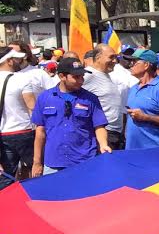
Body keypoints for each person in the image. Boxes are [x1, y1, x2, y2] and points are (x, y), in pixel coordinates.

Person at [28, 56, 110, 177]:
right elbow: (40, 132)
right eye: (76, 77)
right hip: (54, 163)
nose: (81, 80)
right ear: (62, 76)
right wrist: (37, 162)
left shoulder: (91, 99)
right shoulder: (45, 98)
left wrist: (103, 144)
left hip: (84, 161)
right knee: (53, 195)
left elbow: (99, 126)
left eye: (82, 76)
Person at [1, 43, 53, 178]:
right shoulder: (20, 78)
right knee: (35, 171)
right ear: (9, 61)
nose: (20, 61)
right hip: (24, 131)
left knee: (6, 177)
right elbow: (32, 106)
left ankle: (7, 199)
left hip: (3, 134)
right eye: (17, 58)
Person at [124, 49, 159, 150]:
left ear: (146, 65)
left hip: (154, 151)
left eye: (134, 62)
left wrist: (145, 117)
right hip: (132, 150)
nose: (130, 65)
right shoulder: (133, 89)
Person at [83, 44, 128, 151]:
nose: (115, 61)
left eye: (115, 57)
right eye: (111, 57)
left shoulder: (105, 75)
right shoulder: (88, 75)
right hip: (103, 133)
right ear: (98, 58)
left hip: (115, 134)